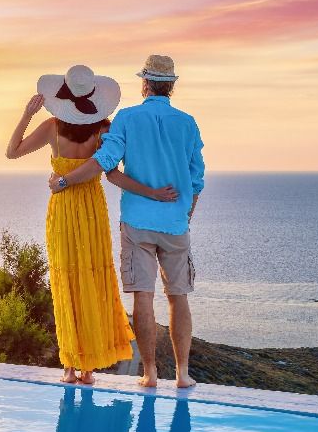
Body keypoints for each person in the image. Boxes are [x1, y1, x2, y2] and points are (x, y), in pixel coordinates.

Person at [7, 64, 178, 384]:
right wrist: (152, 192)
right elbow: (114, 174)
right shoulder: (104, 130)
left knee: (66, 283)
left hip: (62, 208)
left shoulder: (52, 127)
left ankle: (70, 368)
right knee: (92, 281)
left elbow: (11, 151)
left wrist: (27, 114)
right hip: (91, 210)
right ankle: (87, 369)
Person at [50, 55, 204, 388]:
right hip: (176, 224)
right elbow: (197, 179)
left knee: (143, 299)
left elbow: (105, 165)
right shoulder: (187, 123)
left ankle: (149, 374)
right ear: (171, 86)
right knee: (179, 297)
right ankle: (182, 374)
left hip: (137, 224)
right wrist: (184, 216)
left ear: (145, 84)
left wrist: (63, 181)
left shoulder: (128, 119)